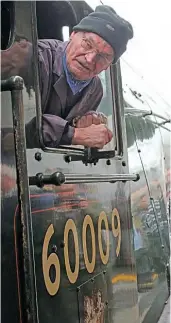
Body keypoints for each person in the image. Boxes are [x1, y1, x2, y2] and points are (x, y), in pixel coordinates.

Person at [2, 5, 133, 150]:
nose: (90, 59)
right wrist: (76, 134)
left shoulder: (95, 90)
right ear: (73, 34)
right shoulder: (28, 58)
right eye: (87, 44)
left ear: (108, 65)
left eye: (103, 56)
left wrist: (84, 122)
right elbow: (10, 134)